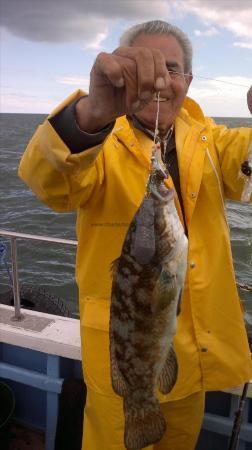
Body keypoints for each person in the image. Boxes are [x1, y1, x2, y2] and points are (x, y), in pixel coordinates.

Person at [18, 20, 252, 450]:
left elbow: (248, 166)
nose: (159, 81)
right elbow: (46, 181)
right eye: (142, 67)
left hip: (195, 360)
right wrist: (92, 113)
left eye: (172, 69)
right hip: (123, 358)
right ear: (118, 74)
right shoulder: (98, 141)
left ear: (190, 80)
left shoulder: (211, 141)